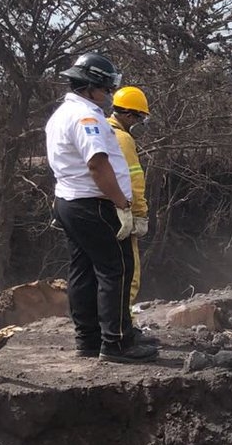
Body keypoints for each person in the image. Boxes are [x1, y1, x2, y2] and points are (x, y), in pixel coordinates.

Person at [46, 53, 157, 364]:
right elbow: (97, 163)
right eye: (107, 90)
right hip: (94, 203)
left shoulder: (61, 115)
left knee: (82, 271)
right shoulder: (88, 117)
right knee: (117, 269)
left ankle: (88, 340)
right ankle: (118, 343)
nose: (109, 96)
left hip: (69, 201)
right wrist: (122, 204)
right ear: (92, 87)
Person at [107, 86, 151, 305]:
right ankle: (125, 327)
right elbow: (134, 178)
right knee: (128, 274)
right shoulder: (123, 138)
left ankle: (104, 327)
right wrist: (140, 213)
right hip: (120, 212)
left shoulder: (99, 129)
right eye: (138, 118)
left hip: (96, 210)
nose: (139, 123)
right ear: (128, 114)